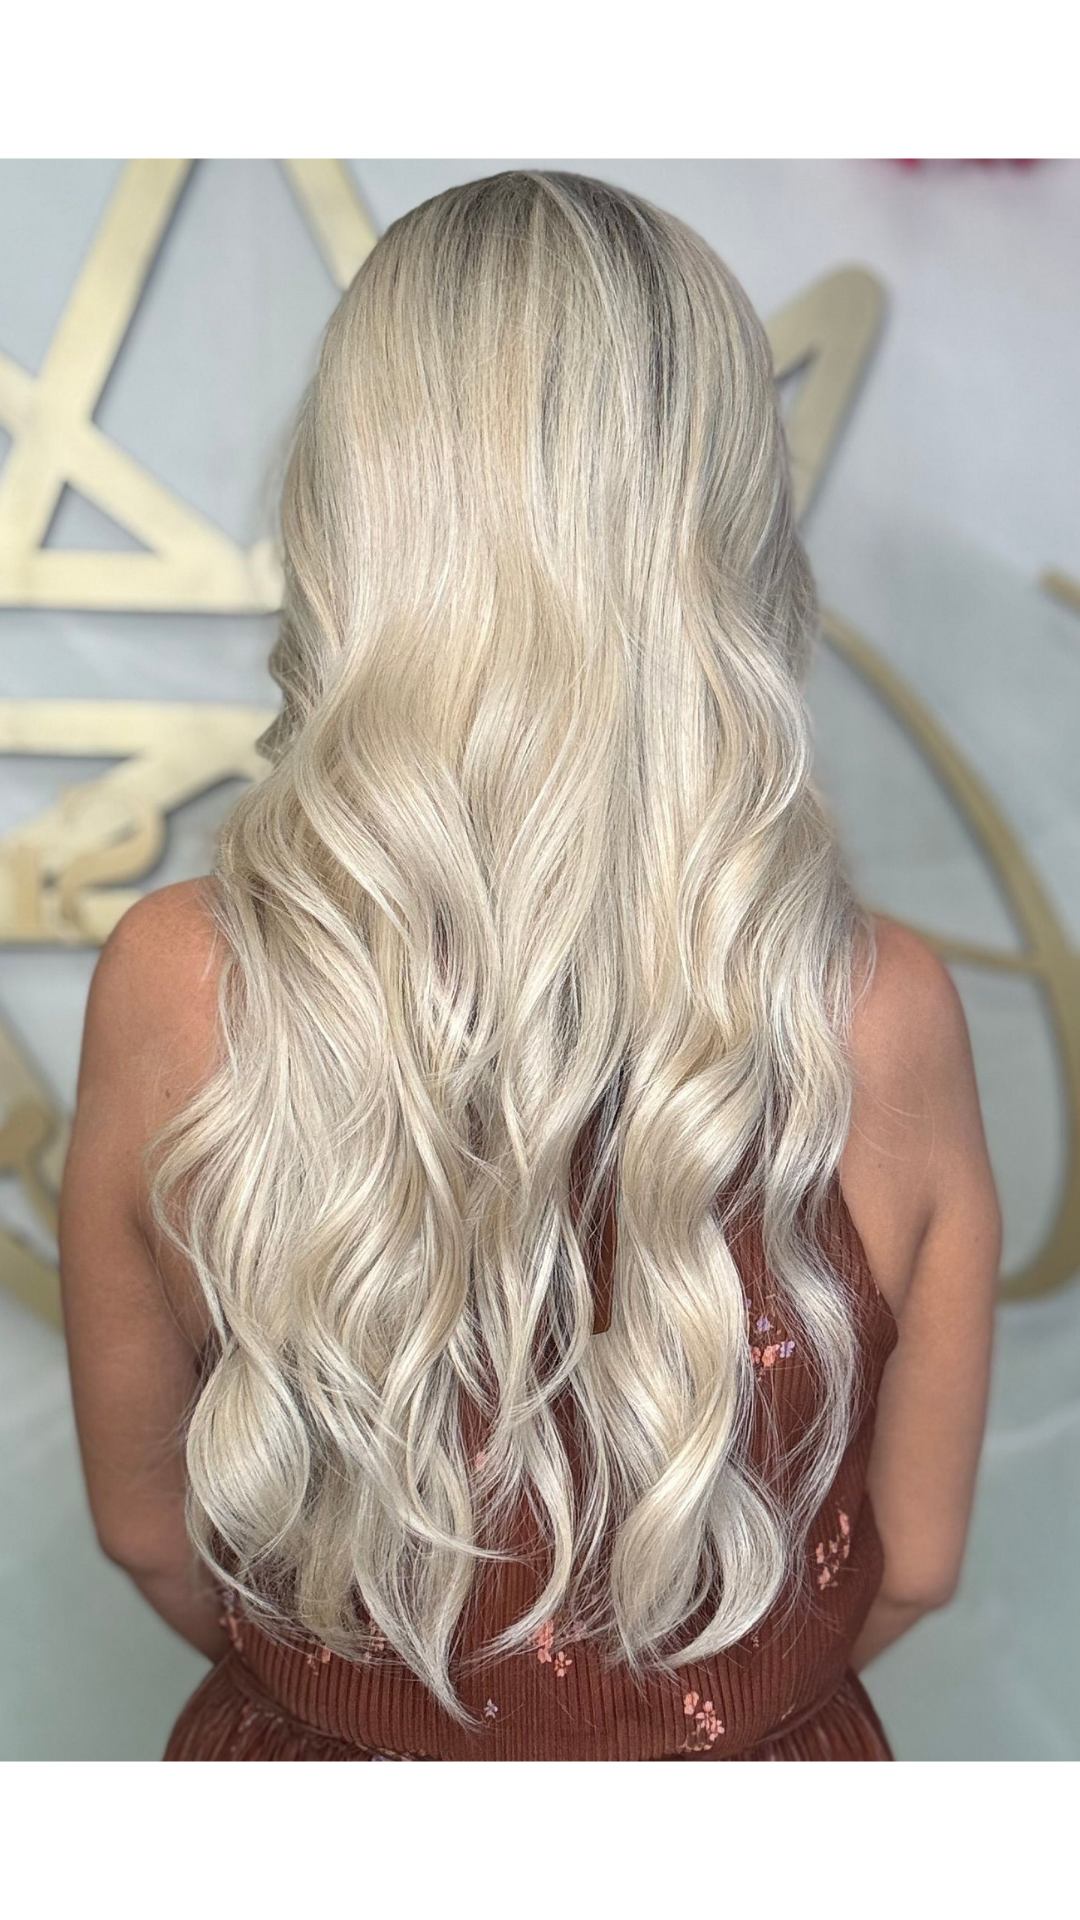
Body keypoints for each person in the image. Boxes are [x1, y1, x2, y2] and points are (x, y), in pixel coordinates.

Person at [58, 171, 1001, 1763]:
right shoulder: (879, 1009)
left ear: (354, 504)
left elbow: (150, 1534)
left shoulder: (177, 981)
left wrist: (363, 1705)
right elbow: (914, 1562)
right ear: (722, 521)